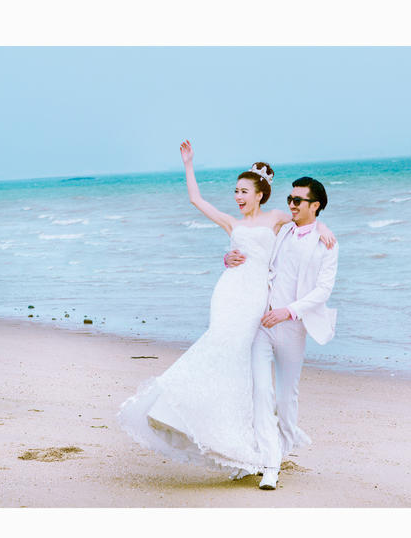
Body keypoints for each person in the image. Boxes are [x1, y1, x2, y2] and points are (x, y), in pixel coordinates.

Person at [118, 140, 335, 488]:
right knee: (224, 354)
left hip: (259, 304)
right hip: (230, 294)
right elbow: (196, 200)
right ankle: (179, 410)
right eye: (235, 191)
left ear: (260, 194)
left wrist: (323, 228)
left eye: (244, 191)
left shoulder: (277, 218)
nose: (237, 196)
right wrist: (189, 164)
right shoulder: (232, 224)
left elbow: (304, 224)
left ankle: (259, 446)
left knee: (254, 377)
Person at [224, 176, 338, 489]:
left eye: (298, 201)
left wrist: (288, 311)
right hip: (262, 322)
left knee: (287, 399)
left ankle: (281, 447)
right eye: (290, 199)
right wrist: (228, 258)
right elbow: (254, 253)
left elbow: (323, 290)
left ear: (315, 205)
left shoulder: (327, 242)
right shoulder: (283, 229)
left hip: (292, 326)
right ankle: (267, 463)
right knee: (261, 392)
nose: (291, 204)